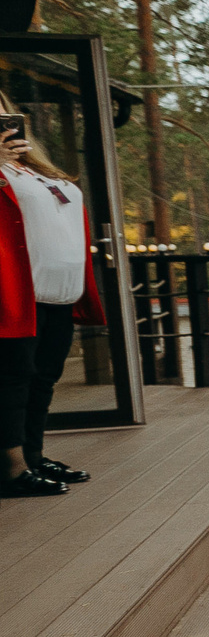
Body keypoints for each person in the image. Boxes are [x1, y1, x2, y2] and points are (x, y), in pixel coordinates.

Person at [0, 96, 104, 497]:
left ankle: (33, 457)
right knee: (12, 380)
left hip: (57, 295)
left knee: (43, 379)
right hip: (16, 295)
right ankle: (10, 471)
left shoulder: (33, 169)